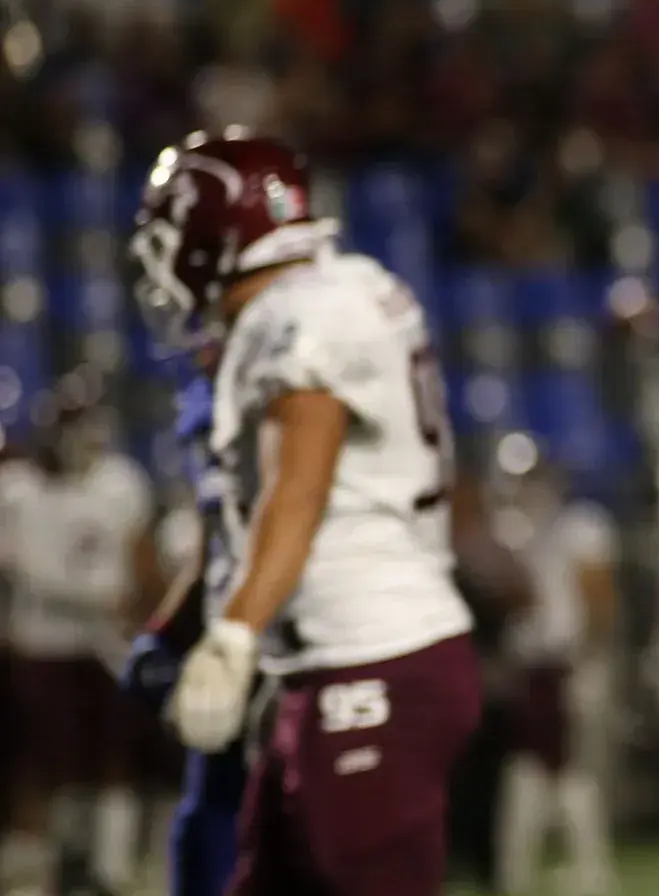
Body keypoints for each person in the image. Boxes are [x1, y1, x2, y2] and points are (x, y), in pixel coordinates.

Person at [128, 129, 480, 895]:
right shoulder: (342, 288)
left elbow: (299, 488)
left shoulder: (300, 317)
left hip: (369, 659)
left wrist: (232, 636)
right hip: (332, 666)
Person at [1, 374, 153, 894]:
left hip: (105, 644)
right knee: (42, 763)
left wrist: (138, 620)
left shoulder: (119, 483)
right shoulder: (19, 489)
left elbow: (141, 564)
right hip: (41, 643)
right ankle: (47, 860)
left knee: (110, 758)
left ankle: (108, 865)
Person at [122, 356, 251, 896]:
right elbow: (215, 557)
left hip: (292, 659)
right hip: (241, 648)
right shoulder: (218, 418)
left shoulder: (285, 397)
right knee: (202, 841)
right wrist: (165, 632)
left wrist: (236, 636)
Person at [490, 434, 619, 896]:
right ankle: (523, 872)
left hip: (571, 663)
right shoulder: (511, 531)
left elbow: (598, 602)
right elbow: (512, 604)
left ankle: (587, 872)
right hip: (533, 666)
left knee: (570, 771)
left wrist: (588, 662)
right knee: (536, 769)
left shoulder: (579, 525)